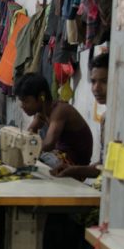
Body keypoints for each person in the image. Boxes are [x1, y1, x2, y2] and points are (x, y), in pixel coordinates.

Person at [14, 72, 93, 167]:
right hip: (62, 156)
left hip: (76, 165)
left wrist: (27, 146)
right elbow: (29, 134)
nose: (22, 106)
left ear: (41, 96)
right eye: (21, 102)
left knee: (36, 159)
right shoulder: (41, 113)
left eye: (26, 101)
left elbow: (48, 144)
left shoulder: (60, 111)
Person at [52, 53, 109, 181]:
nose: (96, 88)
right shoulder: (106, 118)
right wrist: (72, 169)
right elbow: (103, 166)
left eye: (104, 81)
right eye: (93, 81)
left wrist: (75, 169)